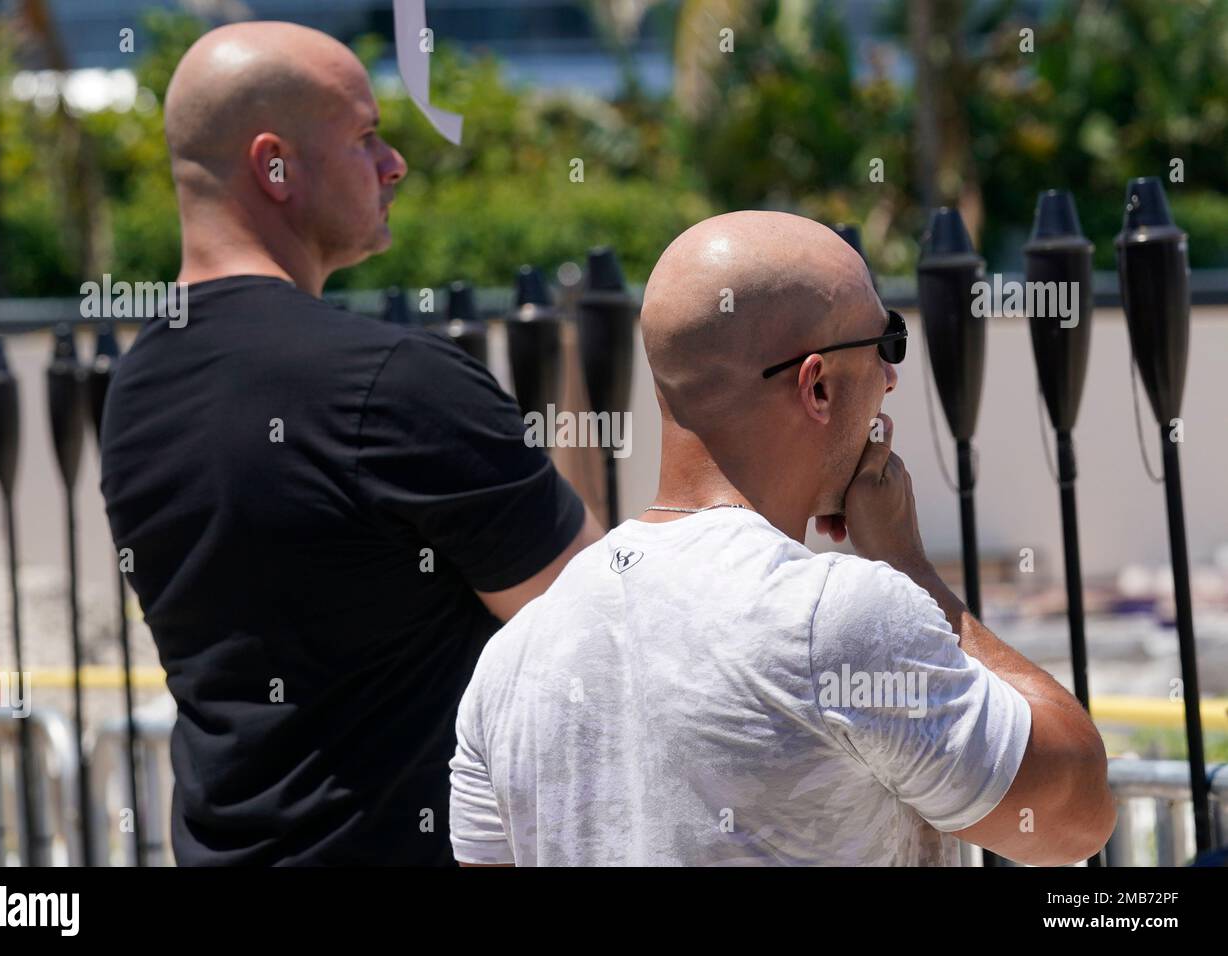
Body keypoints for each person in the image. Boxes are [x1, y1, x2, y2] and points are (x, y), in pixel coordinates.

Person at [449, 211, 1115, 866]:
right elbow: (1077, 815)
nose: (891, 377)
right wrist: (910, 567)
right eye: (885, 345)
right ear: (818, 385)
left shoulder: (513, 660)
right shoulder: (835, 617)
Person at [99, 22, 602, 865]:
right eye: (366, 136)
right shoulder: (395, 383)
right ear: (275, 166)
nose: (394, 162)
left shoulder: (134, 391)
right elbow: (596, 629)